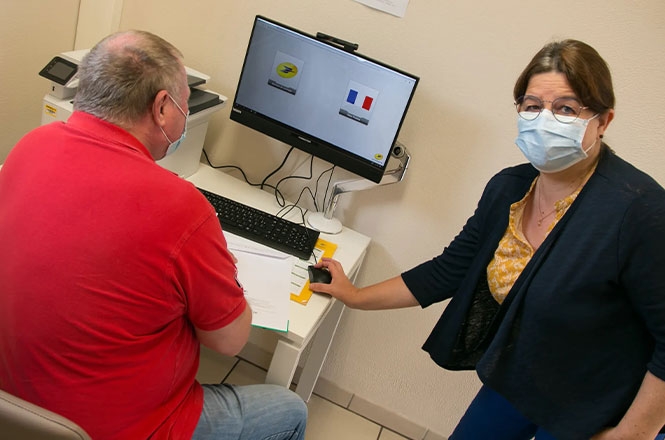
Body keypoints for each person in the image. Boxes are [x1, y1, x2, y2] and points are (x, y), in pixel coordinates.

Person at [310, 39, 665, 440]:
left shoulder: (638, 211)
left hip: (604, 405)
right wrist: (355, 296)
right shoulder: (509, 190)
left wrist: (633, 434)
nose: (544, 119)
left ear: (602, 121)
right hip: (523, 374)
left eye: (566, 108)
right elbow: (448, 271)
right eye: (532, 106)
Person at [0, 30, 306, 440]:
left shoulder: (31, 144)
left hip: (14, 407)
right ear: (162, 108)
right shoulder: (182, 207)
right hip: (116, 428)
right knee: (289, 411)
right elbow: (230, 341)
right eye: (183, 102)